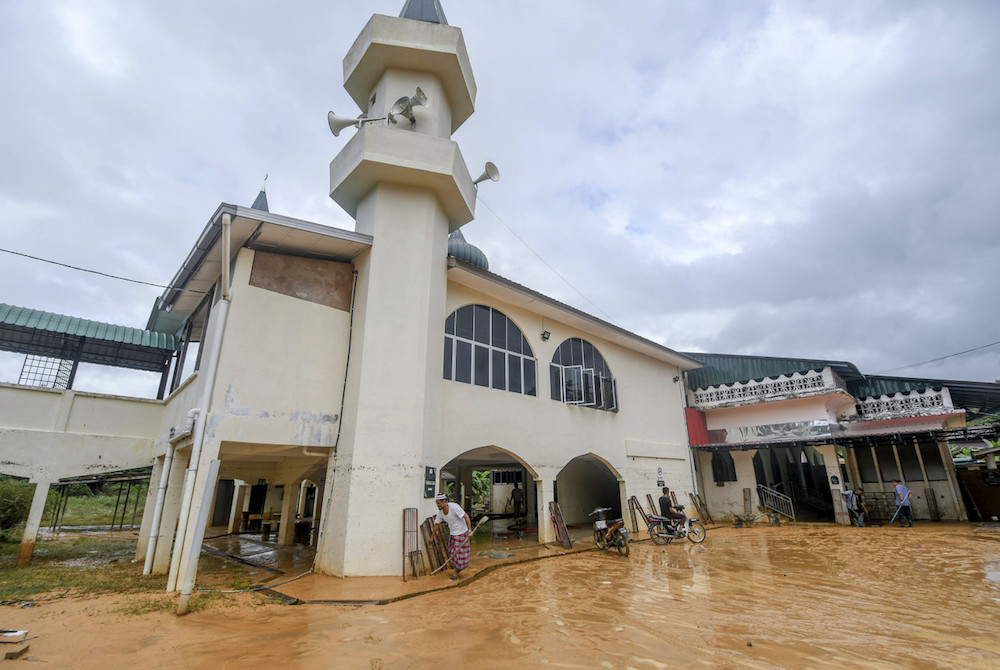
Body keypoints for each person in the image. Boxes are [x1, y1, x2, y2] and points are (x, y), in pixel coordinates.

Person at [430, 493, 472, 580]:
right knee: (452, 552)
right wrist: (432, 537)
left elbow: (466, 516)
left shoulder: (454, 507)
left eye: (438, 503)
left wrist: (469, 531)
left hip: (461, 532)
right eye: (436, 503)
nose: (437, 505)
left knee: (458, 554)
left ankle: (456, 573)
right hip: (453, 533)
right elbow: (437, 525)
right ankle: (457, 567)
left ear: (444, 502)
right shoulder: (440, 513)